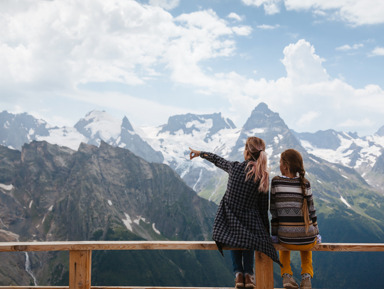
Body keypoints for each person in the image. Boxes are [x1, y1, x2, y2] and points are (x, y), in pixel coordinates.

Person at [189, 137, 280, 288]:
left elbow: (218, 160)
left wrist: (200, 153)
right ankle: (249, 275)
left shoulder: (235, 167)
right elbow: (263, 209)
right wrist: (265, 232)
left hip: (229, 221)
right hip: (251, 224)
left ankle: (238, 274)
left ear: (246, 152)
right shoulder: (263, 176)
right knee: (249, 236)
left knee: (232, 234)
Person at [270, 149, 320, 289]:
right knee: (307, 242)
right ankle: (306, 278)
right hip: (308, 239)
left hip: (285, 240)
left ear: (285, 166)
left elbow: (274, 212)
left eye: (280, 162)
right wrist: (316, 232)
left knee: (284, 243)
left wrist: (274, 234)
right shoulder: (306, 183)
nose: (279, 164)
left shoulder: (276, 182)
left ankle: (286, 276)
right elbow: (312, 211)